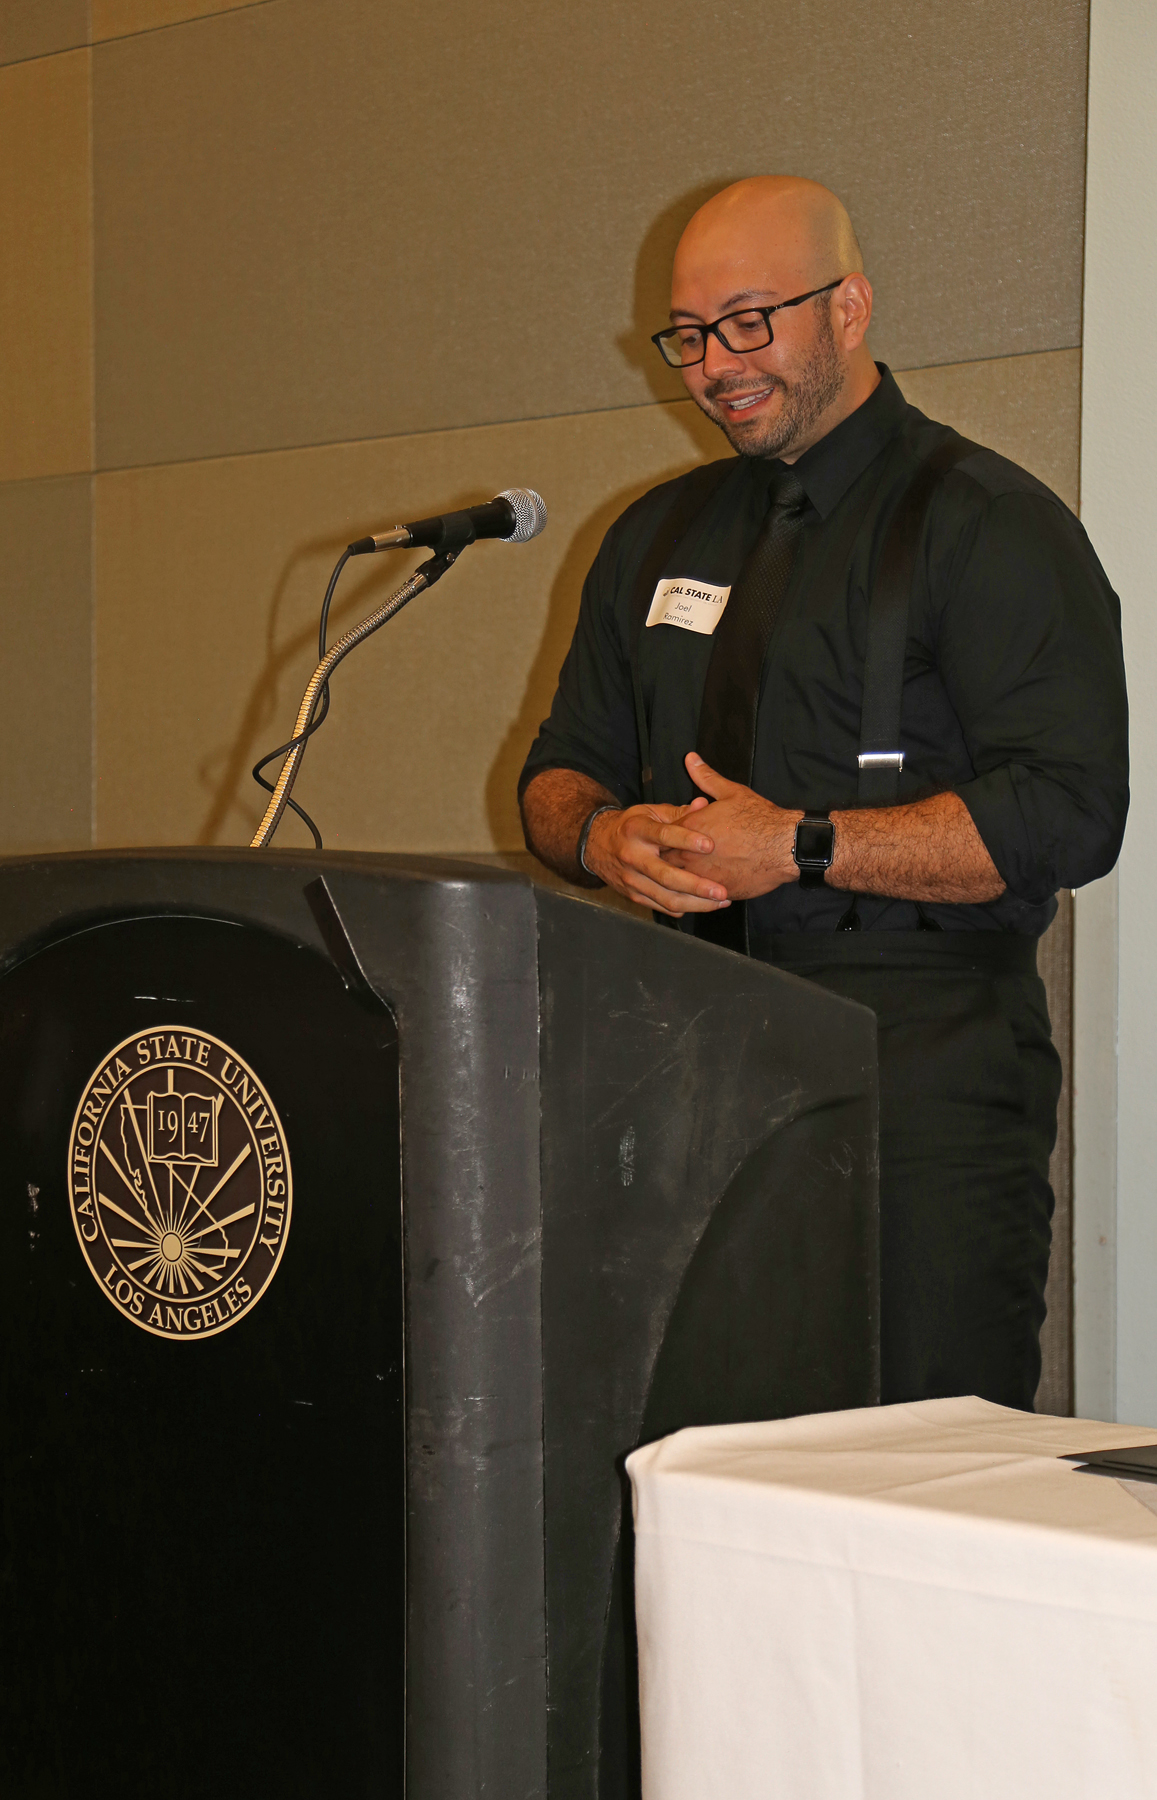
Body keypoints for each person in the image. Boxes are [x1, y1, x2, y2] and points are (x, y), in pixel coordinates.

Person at [518, 176, 1128, 1409]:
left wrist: (795, 847)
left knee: (912, 1476)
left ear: (847, 308)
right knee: (703, 1459)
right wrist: (600, 837)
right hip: (687, 1060)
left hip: (920, 1065)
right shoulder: (649, 537)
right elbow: (552, 772)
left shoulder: (990, 524)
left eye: (750, 321)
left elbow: (1066, 815)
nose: (712, 364)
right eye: (687, 335)